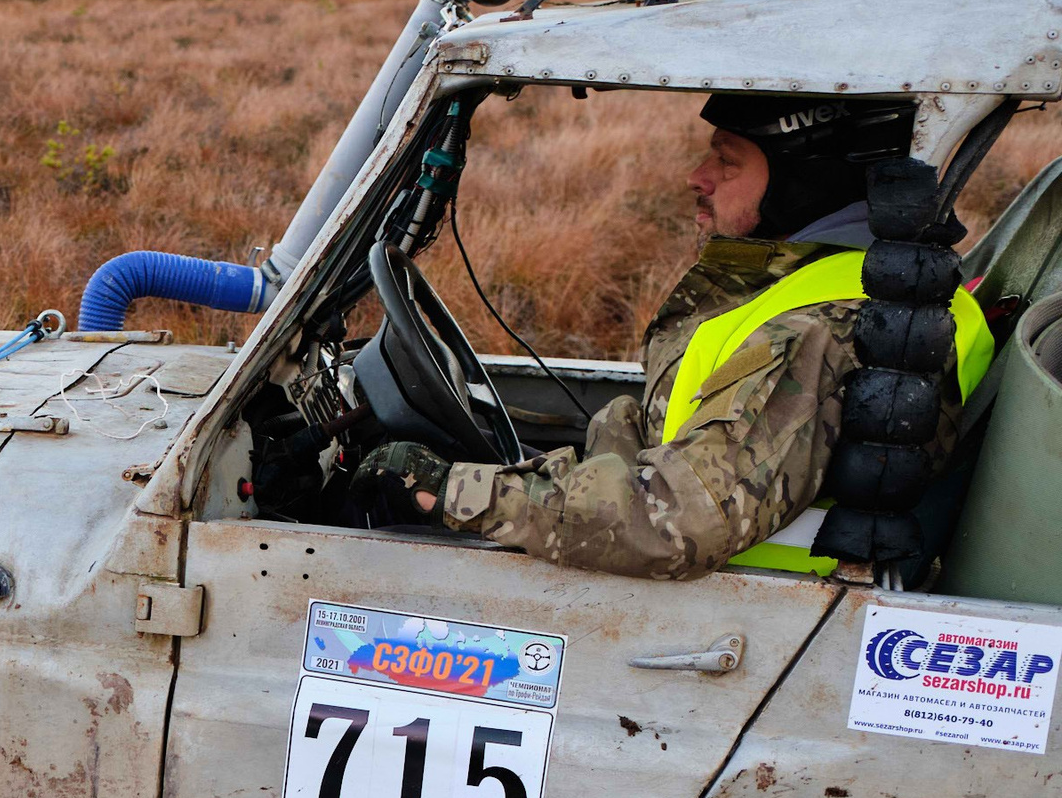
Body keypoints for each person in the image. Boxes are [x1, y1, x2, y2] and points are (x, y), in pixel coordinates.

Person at [350, 95, 991, 580]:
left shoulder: (820, 330)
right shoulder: (857, 291)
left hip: (749, 624)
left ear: (805, 179)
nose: (697, 176)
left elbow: (674, 519)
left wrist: (450, 491)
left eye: (727, 160)